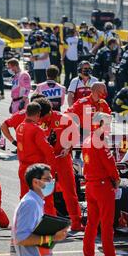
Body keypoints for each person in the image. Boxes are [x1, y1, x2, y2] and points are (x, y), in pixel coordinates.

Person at [11, 163, 69, 256]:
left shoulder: (35, 202)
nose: (51, 182)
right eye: (48, 179)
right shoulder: (30, 204)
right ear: (36, 182)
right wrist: (53, 237)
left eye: (52, 178)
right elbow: (21, 238)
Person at [36, 98, 84, 231]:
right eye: (40, 117)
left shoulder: (64, 119)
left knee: (69, 191)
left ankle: (76, 222)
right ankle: (49, 222)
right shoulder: (35, 120)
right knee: (46, 193)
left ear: (50, 111)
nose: (42, 120)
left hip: (62, 159)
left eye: (44, 117)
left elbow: (75, 134)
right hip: (46, 161)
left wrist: (68, 147)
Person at [82, 113, 123, 256]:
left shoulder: (87, 139)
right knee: (106, 224)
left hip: (90, 185)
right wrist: (117, 179)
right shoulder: (99, 140)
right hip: (102, 186)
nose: (109, 127)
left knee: (91, 224)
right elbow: (110, 163)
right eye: (107, 124)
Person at [16, 103, 56, 209]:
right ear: (38, 114)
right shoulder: (36, 129)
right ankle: (48, 225)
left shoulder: (20, 127)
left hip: (23, 168)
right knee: (46, 201)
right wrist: (52, 171)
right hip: (36, 171)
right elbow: (48, 151)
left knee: (25, 198)